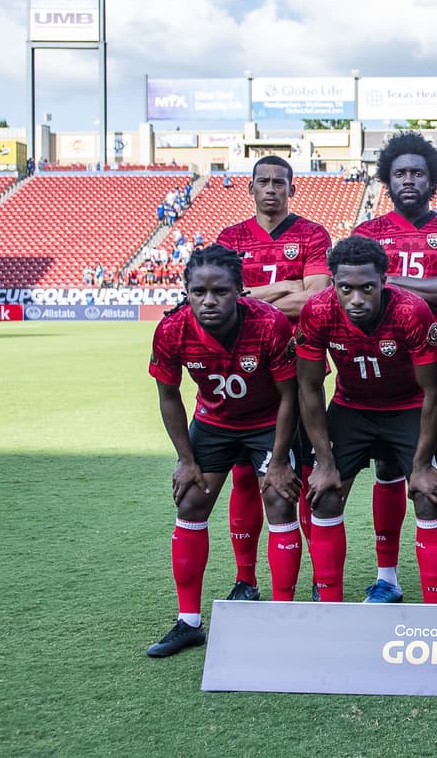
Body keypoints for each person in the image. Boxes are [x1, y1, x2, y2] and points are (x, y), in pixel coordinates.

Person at [145, 245, 300, 657]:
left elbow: (291, 396)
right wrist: (186, 459)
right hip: (215, 422)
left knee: (281, 502)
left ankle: (284, 618)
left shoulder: (270, 324)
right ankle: (189, 622)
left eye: (220, 292)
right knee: (191, 502)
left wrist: (281, 461)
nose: (209, 301)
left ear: (240, 291)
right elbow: (168, 396)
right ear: (187, 291)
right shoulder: (171, 330)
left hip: (269, 421)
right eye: (199, 292)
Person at [351, 132, 437, 604]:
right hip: (381, 373)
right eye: (400, 172)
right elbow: (354, 290)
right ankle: (388, 578)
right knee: (387, 471)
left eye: (417, 173)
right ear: (387, 178)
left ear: (432, 180)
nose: (408, 180)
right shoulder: (367, 233)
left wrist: (384, 283)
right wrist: (422, 285)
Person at [296, 236, 437, 604]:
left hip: (409, 406)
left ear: (385, 280)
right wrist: (324, 462)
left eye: (367, 288)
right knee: (325, 496)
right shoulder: (317, 311)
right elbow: (309, 386)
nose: (356, 299)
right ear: (332, 282)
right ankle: (330, 606)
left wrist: (420, 465)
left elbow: (435, 391)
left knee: (429, 495)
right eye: (345, 288)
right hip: (352, 406)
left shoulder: (411, 311)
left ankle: (434, 609)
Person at [215, 155, 332, 602]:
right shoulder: (231, 238)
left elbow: (316, 300)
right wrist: (286, 287)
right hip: (243, 367)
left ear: (291, 189)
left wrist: (247, 298)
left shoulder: (312, 234)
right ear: (250, 188)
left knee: (300, 474)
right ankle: (247, 580)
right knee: (245, 476)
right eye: (262, 182)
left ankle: (321, 581)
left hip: (299, 363)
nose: (270, 189)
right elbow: (222, 300)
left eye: (279, 182)